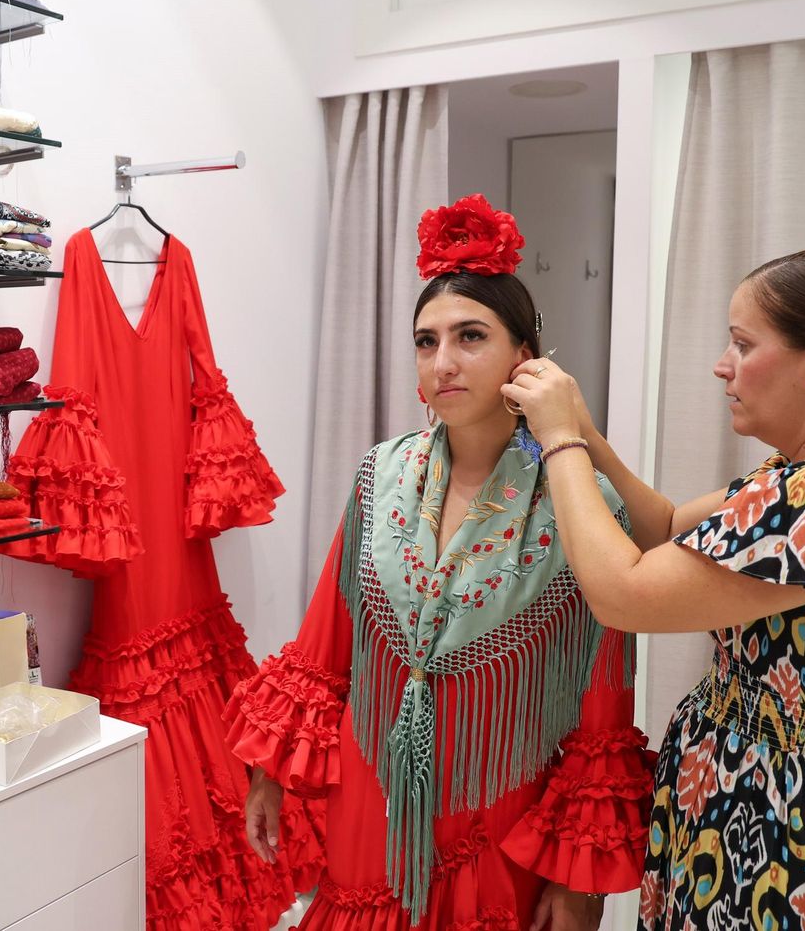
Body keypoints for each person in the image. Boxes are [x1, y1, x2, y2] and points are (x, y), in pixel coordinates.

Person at [228, 196, 652, 930]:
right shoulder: (380, 474)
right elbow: (327, 639)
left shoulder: (582, 502)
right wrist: (271, 771)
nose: (443, 363)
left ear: (526, 359)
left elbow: (599, 697)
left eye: (470, 337)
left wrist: (575, 882)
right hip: (374, 794)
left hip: (502, 804)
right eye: (426, 342)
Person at [502, 246, 805, 931]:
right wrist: (586, 432)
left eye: (742, 343)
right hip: (746, 802)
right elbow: (666, 528)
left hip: (779, 834)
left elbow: (623, 592)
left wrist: (559, 441)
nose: (723, 364)